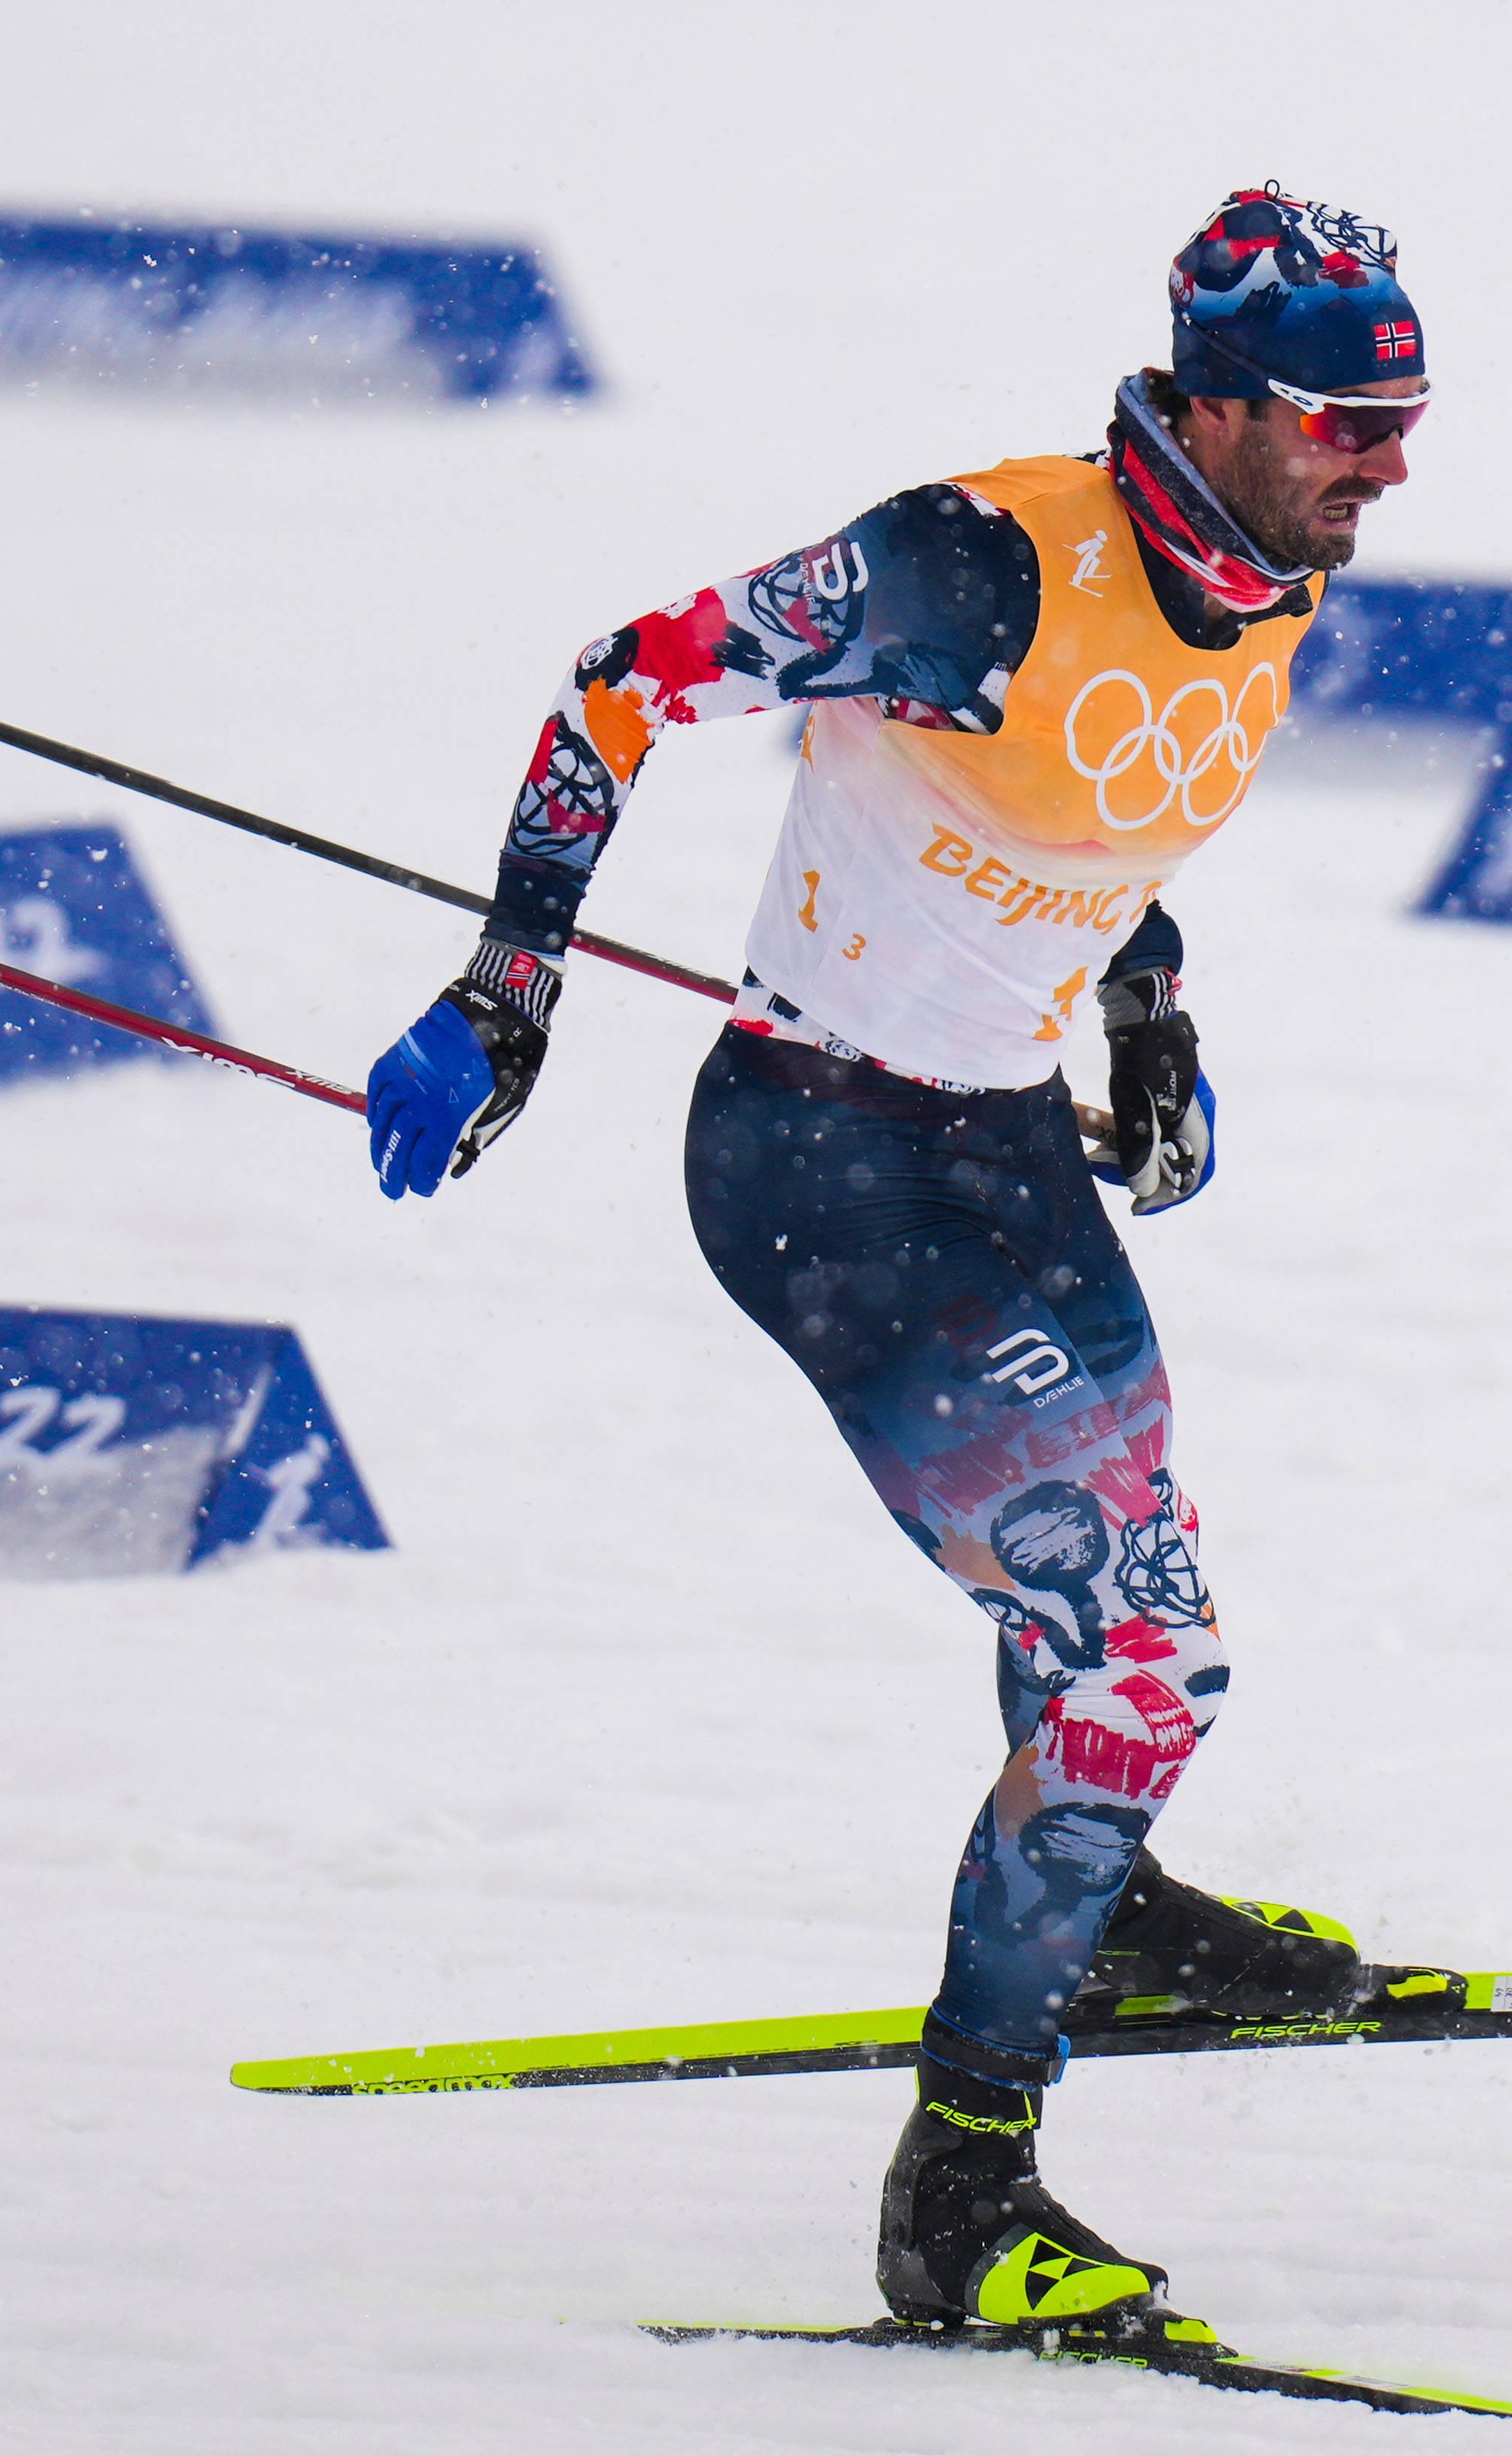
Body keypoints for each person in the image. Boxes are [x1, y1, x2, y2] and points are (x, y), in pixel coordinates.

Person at [363, 185, 1431, 2344]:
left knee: (1122, 1623)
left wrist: (1150, 1016)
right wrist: (502, 1001)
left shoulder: (1269, 569)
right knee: (1145, 1660)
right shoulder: (974, 563)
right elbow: (622, 682)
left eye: (1407, 417)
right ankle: (963, 2195)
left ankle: (1093, 1907)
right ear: (1216, 401)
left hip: (1002, 1141)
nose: (1385, 461)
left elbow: (1105, 815)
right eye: (1343, 415)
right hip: (827, 1161)